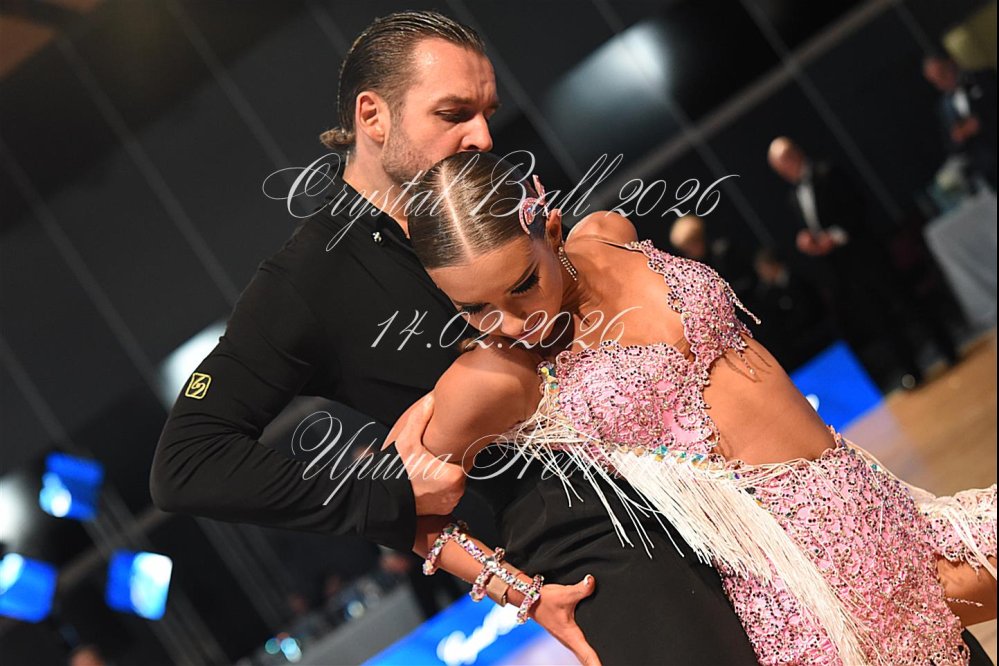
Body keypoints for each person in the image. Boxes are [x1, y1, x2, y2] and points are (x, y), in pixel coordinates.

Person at [148, 11, 759, 662]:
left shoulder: (498, 198)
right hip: (611, 557)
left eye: (486, 112)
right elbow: (187, 463)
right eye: (453, 113)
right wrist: (383, 497)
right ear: (372, 116)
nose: (483, 136)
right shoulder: (308, 280)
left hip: (716, 494)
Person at [399, 151, 997, 665]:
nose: (511, 323)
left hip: (874, 499)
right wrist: (520, 594)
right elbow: (401, 509)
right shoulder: (499, 375)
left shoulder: (607, 232)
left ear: (551, 229)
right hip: (801, 580)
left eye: (523, 284)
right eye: (474, 309)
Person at [767, 136, 959, 389]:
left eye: (784, 165)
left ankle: (948, 350)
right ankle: (912, 370)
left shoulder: (828, 172)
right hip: (844, 268)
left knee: (907, 301)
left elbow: (857, 207)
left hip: (867, 253)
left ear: (794, 155)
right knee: (879, 319)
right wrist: (809, 240)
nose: (784, 172)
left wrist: (835, 236)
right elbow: (814, 226)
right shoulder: (794, 197)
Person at [923, 55, 997, 193]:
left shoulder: (982, 78)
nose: (942, 82)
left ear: (951, 64)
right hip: (989, 167)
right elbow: (949, 144)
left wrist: (980, 122)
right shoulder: (944, 107)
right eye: (936, 81)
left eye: (942, 74)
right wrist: (958, 137)